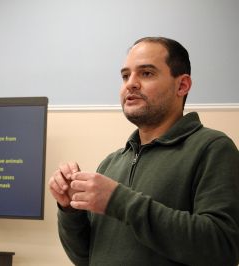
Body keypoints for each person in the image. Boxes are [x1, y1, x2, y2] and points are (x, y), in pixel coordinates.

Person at [48, 37, 239, 266]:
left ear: (182, 85)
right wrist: (70, 211)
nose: (131, 84)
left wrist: (119, 201)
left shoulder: (212, 148)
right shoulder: (110, 164)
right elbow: (85, 258)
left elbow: (223, 247)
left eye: (146, 73)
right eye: (125, 76)